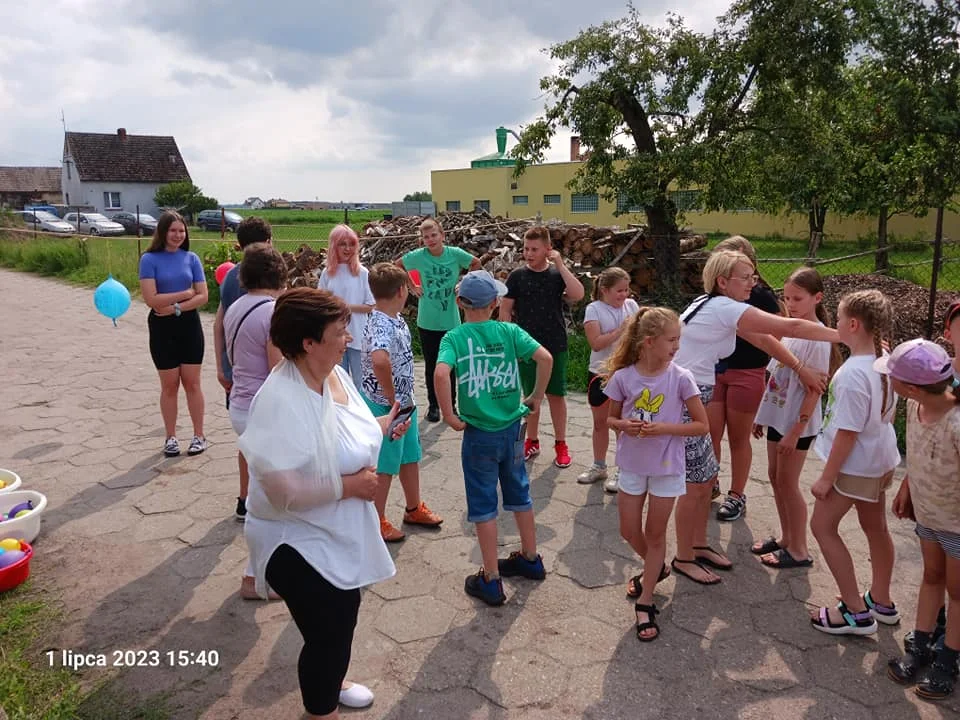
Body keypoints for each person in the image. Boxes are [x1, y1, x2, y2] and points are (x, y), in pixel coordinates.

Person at [238, 287, 410, 718]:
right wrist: (350, 487)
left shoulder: (334, 373)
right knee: (327, 633)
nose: (348, 338)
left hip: (336, 529)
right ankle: (322, 708)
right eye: (339, 332)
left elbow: (344, 430)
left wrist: (385, 424)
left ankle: (332, 680)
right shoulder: (278, 400)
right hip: (291, 538)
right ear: (308, 342)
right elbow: (283, 491)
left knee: (343, 617)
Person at [671, 250, 837, 585]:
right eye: (746, 277)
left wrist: (801, 368)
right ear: (723, 282)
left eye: (753, 276)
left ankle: (698, 544)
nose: (754, 283)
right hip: (689, 400)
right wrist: (847, 336)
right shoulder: (724, 307)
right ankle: (683, 557)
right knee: (695, 484)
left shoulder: (715, 305)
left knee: (704, 479)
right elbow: (788, 326)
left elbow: (763, 340)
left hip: (693, 396)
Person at [434, 270, 552, 606]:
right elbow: (545, 358)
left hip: (478, 436)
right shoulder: (510, 331)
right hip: (513, 430)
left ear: (460, 303)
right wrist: (535, 396)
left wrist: (449, 414)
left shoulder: (453, 338)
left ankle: (490, 577)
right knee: (519, 490)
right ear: (496, 302)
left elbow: (442, 372)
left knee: (484, 504)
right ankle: (531, 557)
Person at [604, 307, 709, 641]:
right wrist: (624, 425)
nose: (677, 346)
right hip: (633, 464)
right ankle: (657, 567)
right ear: (649, 342)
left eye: (679, 339)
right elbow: (610, 418)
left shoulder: (681, 377)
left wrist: (662, 428)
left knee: (655, 533)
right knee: (627, 529)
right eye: (672, 340)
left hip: (667, 468)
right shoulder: (623, 377)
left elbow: (702, 425)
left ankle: (646, 601)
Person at [809, 289, 900, 636]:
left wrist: (826, 479)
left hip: (855, 468)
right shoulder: (886, 360)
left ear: (852, 324)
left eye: (838, 318)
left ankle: (856, 612)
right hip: (882, 461)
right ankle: (881, 600)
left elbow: (847, 433)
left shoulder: (850, 375)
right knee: (876, 527)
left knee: (823, 527)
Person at [751, 268, 841, 569]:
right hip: (779, 417)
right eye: (787, 297)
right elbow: (778, 375)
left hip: (796, 424)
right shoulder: (791, 330)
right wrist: (763, 416)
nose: (790, 303)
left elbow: (815, 389)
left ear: (818, 298)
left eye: (798, 298)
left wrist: (796, 430)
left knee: (789, 483)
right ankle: (786, 538)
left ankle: (800, 549)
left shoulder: (816, 338)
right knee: (776, 478)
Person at [885, 339, 960, 699]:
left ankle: (948, 660)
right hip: (929, 515)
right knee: (931, 577)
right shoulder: (914, 408)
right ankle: (921, 647)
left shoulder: (957, 422)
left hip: (958, 525)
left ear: (912, 386)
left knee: (958, 592)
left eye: (892, 378)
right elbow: (915, 457)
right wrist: (907, 487)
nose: (889, 381)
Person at [360, 263, 442, 543]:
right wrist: (393, 398)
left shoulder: (391, 316)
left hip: (404, 401)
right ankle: (377, 520)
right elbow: (379, 359)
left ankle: (413, 507)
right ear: (400, 291)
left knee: (409, 456)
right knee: (385, 466)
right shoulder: (383, 322)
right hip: (387, 405)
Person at [223, 244, 285, 599]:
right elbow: (277, 369)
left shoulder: (236, 308)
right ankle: (254, 578)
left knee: (263, 493)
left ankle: (263, 571)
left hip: (241, 405)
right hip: (264, 411)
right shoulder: (272, 312)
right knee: (267, 500)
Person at [710, 237, 782, 521]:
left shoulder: (761, 296)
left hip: (747, 373)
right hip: (715, 372)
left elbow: (778, 336)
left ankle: (737, 494)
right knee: (709, 433)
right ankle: (709, 481)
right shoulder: (712, 297)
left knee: (739, 440)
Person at [500, 226, 585, 468]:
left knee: (556, 396)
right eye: (526, 248)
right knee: (530, 396)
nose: (529, 253)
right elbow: (505, 310)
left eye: (534, 249)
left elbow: (578, 294)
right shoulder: (516, 276)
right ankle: (532, 440)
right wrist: (509, 343)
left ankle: (561, 443)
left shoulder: (558, 276)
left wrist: (560, 265)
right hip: (526, 347)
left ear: (548, 250)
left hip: (555, 344)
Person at [213, 215, 273, 520]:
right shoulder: (253, 280)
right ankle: (251, 498)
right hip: (251, 376)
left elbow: (220, 323)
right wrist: (221, 367)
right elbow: (219, 324)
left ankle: (245, 498)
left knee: (248, 441)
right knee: (257, 443)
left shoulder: (236, 277)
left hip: (239, 372)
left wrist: (221, 366)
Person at [138, 211, 209, 458]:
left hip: (188, 324)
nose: (178, 235)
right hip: (161, 328)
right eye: (173, 230)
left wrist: (174, 307)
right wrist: (184, 294)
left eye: (182, 230)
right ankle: (171, 437)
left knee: (192, 382)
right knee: (169, 385)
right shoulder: (149, 259)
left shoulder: (191, 258)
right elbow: (151, 299)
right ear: (163, 232)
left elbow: (203, 295)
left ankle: (199, 435)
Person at [397, 218, 481, 422]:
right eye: (426, 237)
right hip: (427, 321)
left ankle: (450, 406)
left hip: (451, 321)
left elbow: (476, 263)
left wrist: (464, 283)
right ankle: (433, 405)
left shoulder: (454, 254)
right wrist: (412, 286)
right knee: (431, 365)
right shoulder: (418, 256)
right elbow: (398, 265)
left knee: (450, 366)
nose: (430, 239)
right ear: (422, 240)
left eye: (434, 235)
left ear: (442, 236)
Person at [578, 267, 640, 491]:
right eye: (619, 291)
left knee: (621, 424)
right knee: (600, 422)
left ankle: (624, 469)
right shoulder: (593, 309)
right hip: (600, 372)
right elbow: (596, 343)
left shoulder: (632, 306)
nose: (624, 295)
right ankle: (599, 465)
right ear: (604, 290)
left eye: (626, 290)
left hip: (626, 373)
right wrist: (621, 329)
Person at [319, 224, 375, 386]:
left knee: (361, 383)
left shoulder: (362, 273)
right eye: (342, 244)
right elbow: (321, 302)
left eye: (351, 244)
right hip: (334, 336)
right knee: (338, 381)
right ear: (334, 246)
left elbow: (370, 305)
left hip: (358, 335)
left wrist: (344, 308)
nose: (347, 248)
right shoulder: (327, 273)